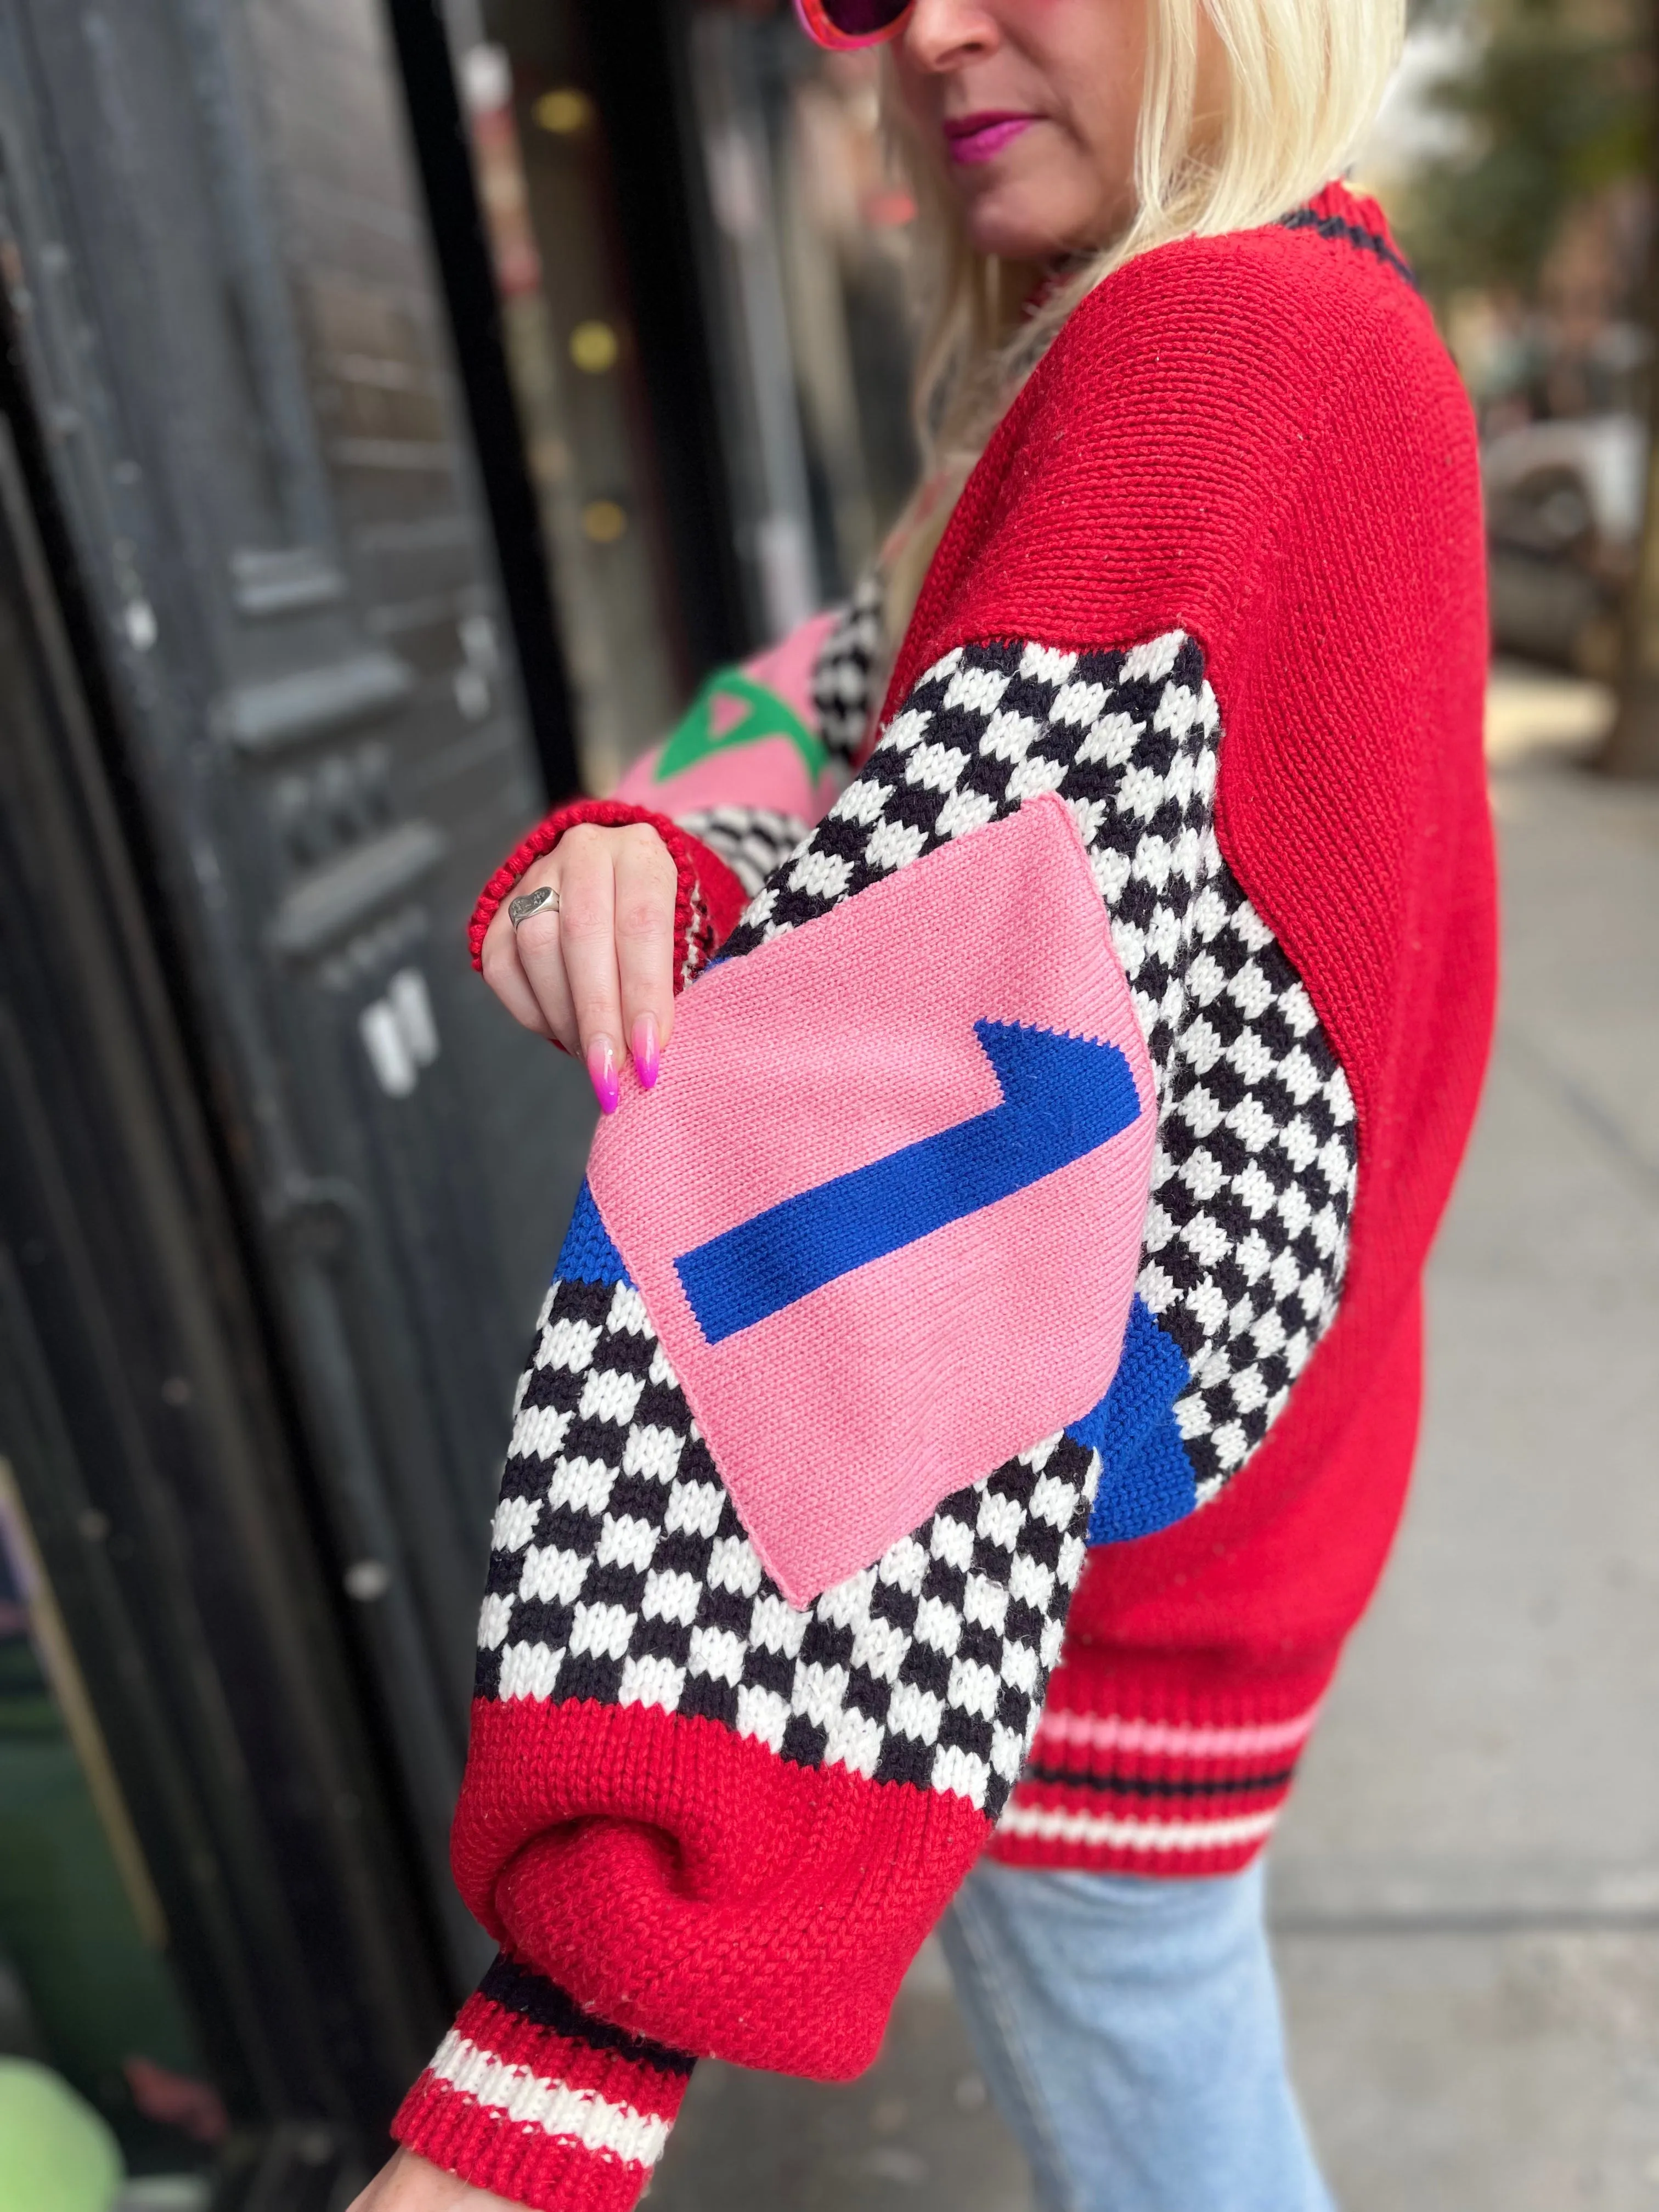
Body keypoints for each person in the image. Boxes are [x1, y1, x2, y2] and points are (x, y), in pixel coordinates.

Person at [351, 0, 1493, 2205]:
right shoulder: (1294, 325)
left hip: (1087, 1592)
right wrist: (654, 859)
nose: (931, 29)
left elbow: (920, 1097)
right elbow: (836, 757)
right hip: (1194, 1549)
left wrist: (574, 2043)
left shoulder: (1216, 347)